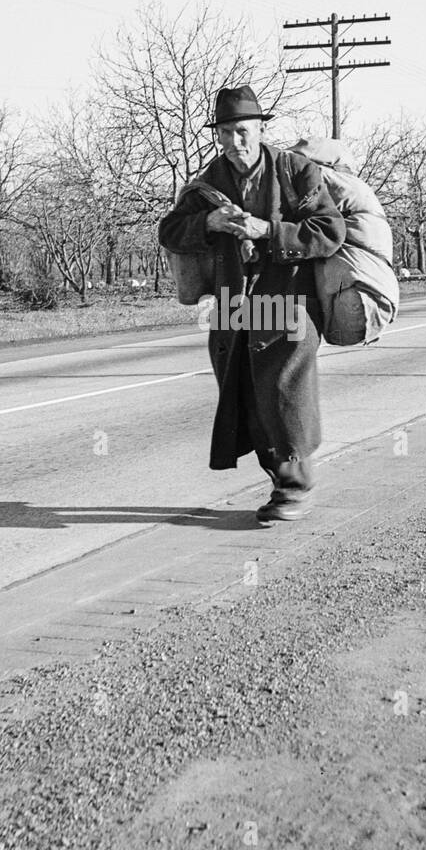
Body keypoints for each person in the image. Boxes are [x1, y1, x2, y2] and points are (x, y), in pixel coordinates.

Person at [159, 85, 345, 523]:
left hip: (288, 301)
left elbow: (328, 230)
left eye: (242, 131)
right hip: (232, 305)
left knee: (285, 392)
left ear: (260, 129)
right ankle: (281, 483)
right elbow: (169, 231)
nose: (234, 142)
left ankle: (295, 487)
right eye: (225, 133)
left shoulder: (295, 171)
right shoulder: (207, 185)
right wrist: (207, 222)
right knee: (245, 397)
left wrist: (267, 231)